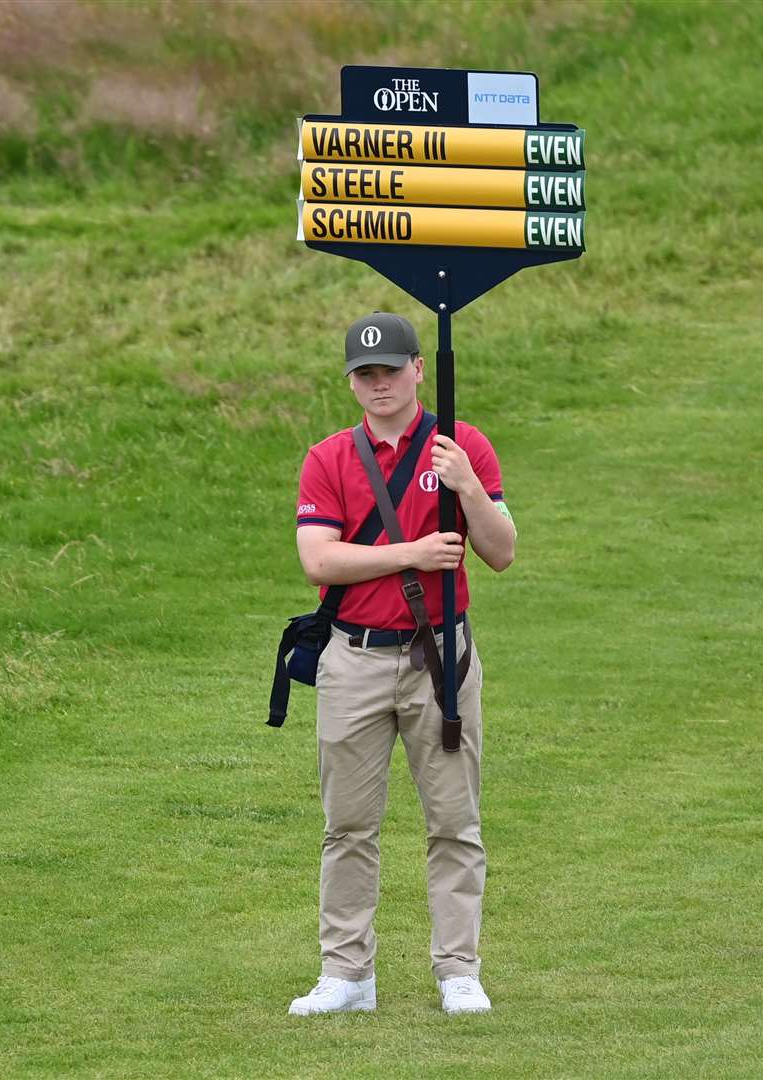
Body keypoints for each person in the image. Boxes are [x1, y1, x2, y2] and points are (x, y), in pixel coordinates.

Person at [289, 311, 516, 1016]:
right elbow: (319, 561)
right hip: (352, 656)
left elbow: (501, 550)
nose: (378, 382)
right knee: (347, 824)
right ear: (352, 382)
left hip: (439, 655)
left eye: (390, 369)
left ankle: (458, 970)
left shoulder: (462, 444)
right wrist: (412, 555)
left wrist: (467, 486)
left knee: (453, 819)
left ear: (420, 369)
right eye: (365, 373)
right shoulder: (329, 458)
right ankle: (347, 974)